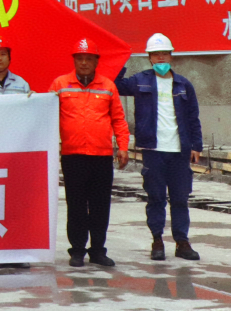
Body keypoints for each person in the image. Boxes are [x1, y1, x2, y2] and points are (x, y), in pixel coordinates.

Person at [115, 33, 203, 262]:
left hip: (179, 150)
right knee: (155, 197)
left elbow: (193, 116)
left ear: (171, 56)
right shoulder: (140, 81)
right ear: (149, 58)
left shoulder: (184, 84)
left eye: (164, 53)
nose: (161, 58)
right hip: (153, 150)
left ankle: (182, 242)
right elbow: (115, 85)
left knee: (180, 198)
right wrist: (120, 60)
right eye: (156, 54)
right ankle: (157, 241)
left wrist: (196, 145)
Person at [49, 38, 129, 268]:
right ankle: (77, 251)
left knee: (100, 205)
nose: (84, 62)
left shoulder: (108, 86)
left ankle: (97, 251)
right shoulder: (60, 85)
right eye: (80, 58)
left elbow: (118, 119)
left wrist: (123, 146)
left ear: (96, 61)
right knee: (76, 205)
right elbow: (45, 113)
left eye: (88, 58)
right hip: (73, 156)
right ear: (74, 60)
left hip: (101, 156)